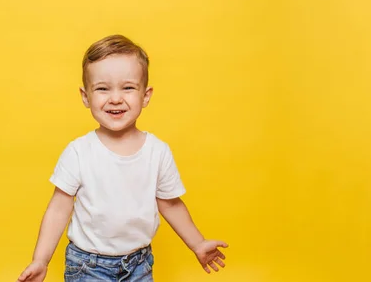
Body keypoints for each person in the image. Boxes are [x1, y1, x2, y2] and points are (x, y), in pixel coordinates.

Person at [17, 34, 228, 282]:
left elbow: (171, 204)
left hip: (139, 263)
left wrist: (198, 243)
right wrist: (41, 259)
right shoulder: (78, 152)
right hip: (88, 265)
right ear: (86, 97)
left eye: (128, 87)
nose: (115, 98)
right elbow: (59, 208)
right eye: (103, 88)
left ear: (145, 96)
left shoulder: (157, 152)